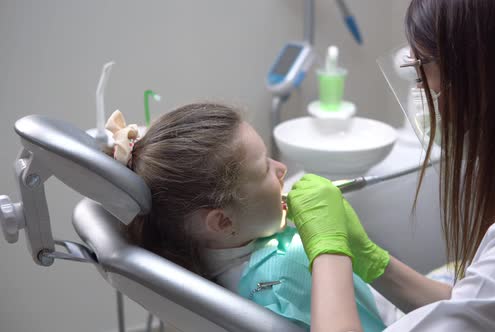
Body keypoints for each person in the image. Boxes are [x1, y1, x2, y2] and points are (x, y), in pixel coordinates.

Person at [286, 0, 495, 331]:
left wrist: (329, 251)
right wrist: (372, 260)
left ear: (488, 74)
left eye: (422, 69)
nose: (421, 90)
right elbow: (470, 303)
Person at [103, 103, 402, 331]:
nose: (281, 169)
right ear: (222, 222)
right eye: (264, 170)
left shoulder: (216, 257)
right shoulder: (279, 282)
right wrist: (330, 246)